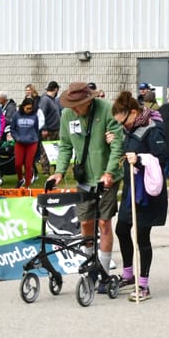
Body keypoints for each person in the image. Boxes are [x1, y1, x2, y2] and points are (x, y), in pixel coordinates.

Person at [48, 82, 123, 286]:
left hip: (106, 177)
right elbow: (64, 146)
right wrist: (59, 172)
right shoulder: (67, 116)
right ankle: (91, 264)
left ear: (88, 101)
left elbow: (117, 144)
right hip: (84, 178)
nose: (74, 108)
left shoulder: (107, 110)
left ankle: (104, 272)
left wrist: (109, 172)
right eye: (71, 104)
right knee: (85, 222)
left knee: (104, 223)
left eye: (77, 104)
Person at [110, 91, 168, 302]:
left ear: (133, 112)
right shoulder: (129, 129)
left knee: (142, 236)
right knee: (122, 228)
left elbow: (161, 159)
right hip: (130, 189)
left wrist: (141, 159)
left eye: (123, 121)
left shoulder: (153, 129)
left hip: (146, 192)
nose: (122, 126)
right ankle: (128, 274)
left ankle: (143, 284)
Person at [10, 96, 41, 188]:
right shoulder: (16, 115)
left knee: (28, 165)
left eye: (31, 108)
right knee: (18, 164)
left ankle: (27, 186)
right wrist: (17, 138)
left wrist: (34, 138)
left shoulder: (34, 116)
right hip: (20, 142)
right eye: (27, 108)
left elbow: (36, 129)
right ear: (23, 106)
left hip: (32, 143)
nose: (29, 110)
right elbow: (12, 128)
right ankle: (20, 179)